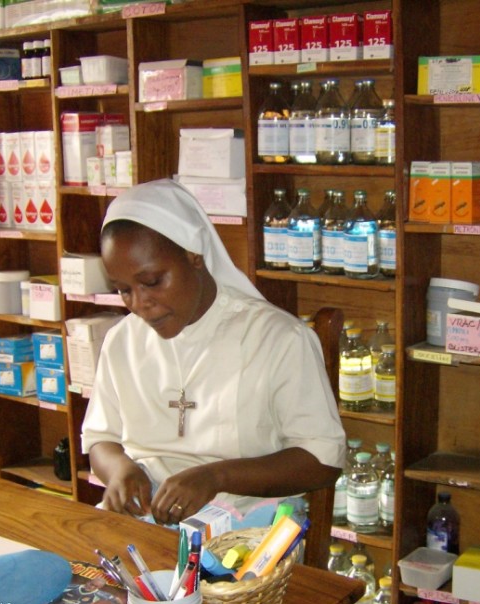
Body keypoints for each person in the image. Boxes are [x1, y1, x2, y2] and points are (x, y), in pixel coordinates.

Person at [81, 179, 345, 527]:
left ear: (195, 256)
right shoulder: (122, 341)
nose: (140, 304)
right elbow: (101, 438)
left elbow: (322, 461)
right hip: (146, 521)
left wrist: (216, 477)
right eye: (124, 290)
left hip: (246, 524)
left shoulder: (278, 338)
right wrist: (120, 470)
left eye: (152, 282)